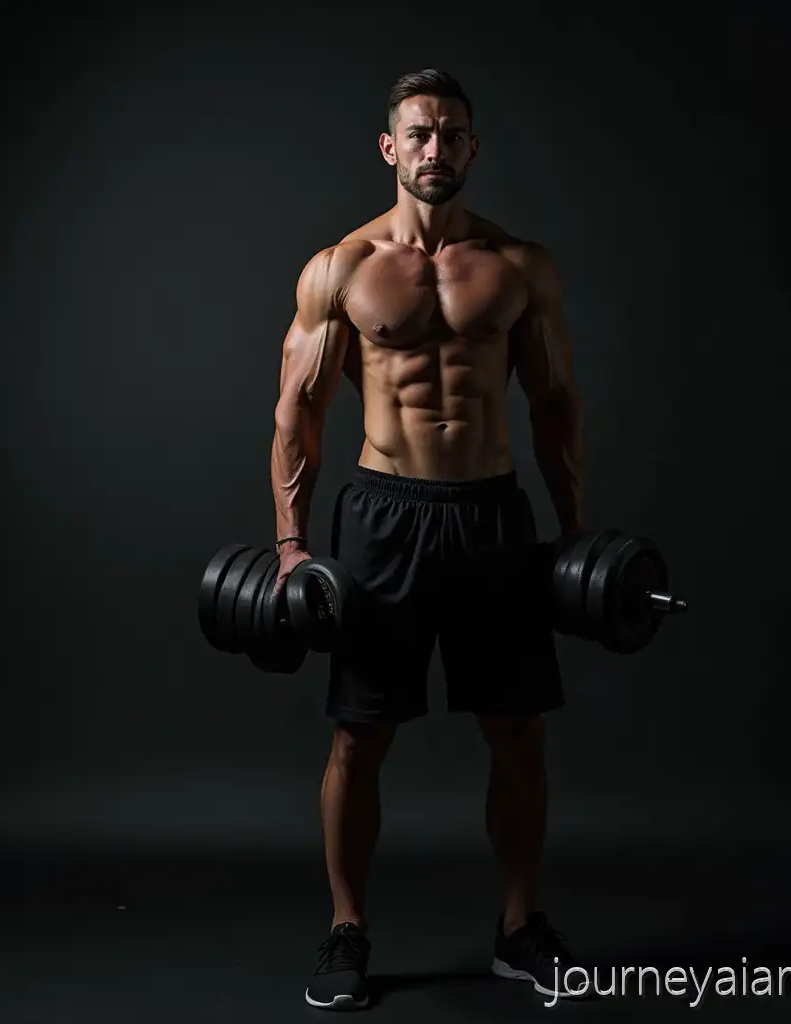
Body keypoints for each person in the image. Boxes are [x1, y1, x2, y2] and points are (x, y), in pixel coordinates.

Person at [270, 69, 586, 1010]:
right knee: (360, 737)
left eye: (451, 133)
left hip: (492, 513)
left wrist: (575, 534)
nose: (435, 148)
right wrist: (290, 546)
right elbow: (297, 414)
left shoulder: (520, 266)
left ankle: (520, 927)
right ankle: (347, 928)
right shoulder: (341, 268)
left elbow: (555, 406)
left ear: (472, 148)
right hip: (384, 515)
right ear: (390, 148)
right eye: (418, 133)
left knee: (517, 731)